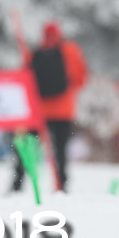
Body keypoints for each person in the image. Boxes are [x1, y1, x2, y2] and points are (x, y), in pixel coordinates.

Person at [27, 21, 87, 192]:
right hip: (63, 110)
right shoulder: (70, 50)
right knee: (61, 151)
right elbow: (81, 77)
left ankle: (18, 182)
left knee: (28, 147)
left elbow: (27, 78)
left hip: (40, 110)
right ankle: (62, 184)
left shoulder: (36, 52)